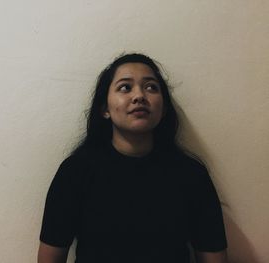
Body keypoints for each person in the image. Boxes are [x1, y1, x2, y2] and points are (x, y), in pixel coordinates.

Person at [38, 53, 228, 263]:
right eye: (125, 87)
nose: (139, 96)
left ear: (163, 109)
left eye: (151, 87)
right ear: (105, 109)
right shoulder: (75, 173)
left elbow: (213, 257)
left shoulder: (191, 175)